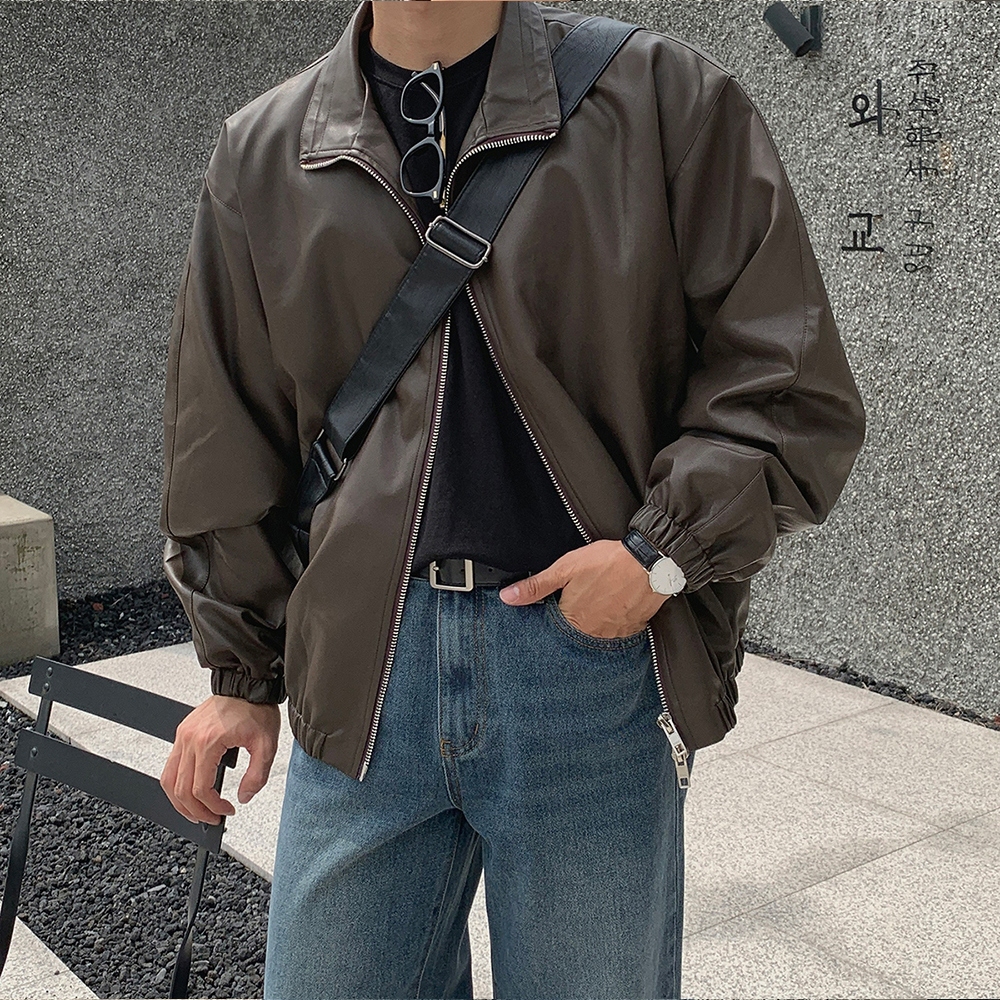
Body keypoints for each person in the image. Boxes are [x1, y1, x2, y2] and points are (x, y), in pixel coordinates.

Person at [157, 1, 866, 997]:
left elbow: (787, 381)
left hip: (583, 667)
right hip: (362, 668)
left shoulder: (662, 98)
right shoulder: (268, 149)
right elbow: (226, 426)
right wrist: (241, 670)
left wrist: (660, 556)